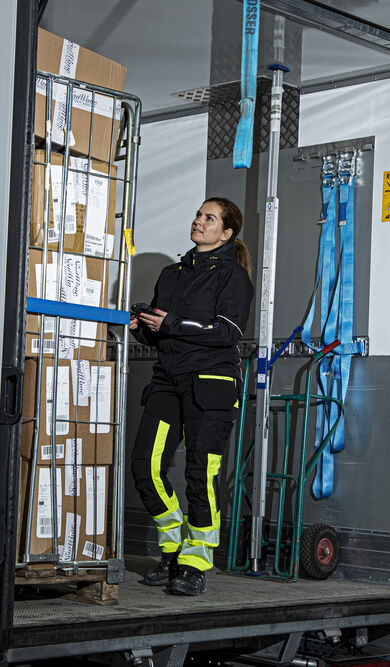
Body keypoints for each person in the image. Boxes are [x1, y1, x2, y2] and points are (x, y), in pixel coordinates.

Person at [129, 197, 254, 595]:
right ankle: (172, 548)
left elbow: (227, 331)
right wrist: (143, 326)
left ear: (226, 233)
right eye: (199, 215)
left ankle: (196, 562)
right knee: (144, 467)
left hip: (212, 384)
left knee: (201, 474)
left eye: (209, 218)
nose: (199, 221)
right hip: (167, 381)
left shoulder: (233, 276)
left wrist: (171, 322)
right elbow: (163, 331)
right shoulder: (171, 274)